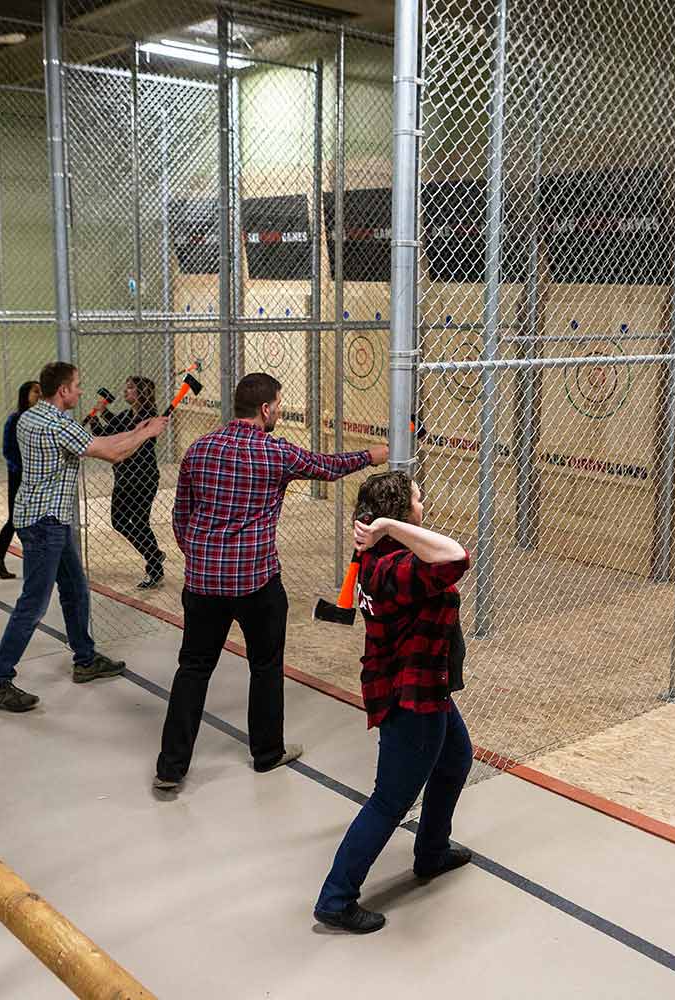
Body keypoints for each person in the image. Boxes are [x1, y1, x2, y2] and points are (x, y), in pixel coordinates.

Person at [153, 372, 386, 787]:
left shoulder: (199, 448)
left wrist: (200, 556)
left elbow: (181, 514)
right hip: (257, 582)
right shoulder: (274, 452)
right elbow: (326, 467)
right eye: (277, 404)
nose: (278, 410)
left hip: (203, 584)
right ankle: (267, 752)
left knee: (193, 668)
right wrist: (370, 455)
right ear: (265, 409)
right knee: (265, 665)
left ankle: (170, 768)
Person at [313, 471, 474, 934]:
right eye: (417, 501)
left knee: (455, 759)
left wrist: (387, 528)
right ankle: (336, 898)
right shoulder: (394, 568)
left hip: (423, 685)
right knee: (389, 800)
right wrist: (389, 526)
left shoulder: (381, 557)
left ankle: (432, 851)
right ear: (398, 515)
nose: (423, 506)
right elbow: (456, 556)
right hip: (411, 696)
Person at [0, 361, 168, 713]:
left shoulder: (32, 417)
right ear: (63, 390)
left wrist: (137, 429)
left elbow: (98, 442)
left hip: (44, 518)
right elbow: (112, 453)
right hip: (46, 524)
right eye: (77, 385)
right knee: (33, 604)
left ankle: (85, 659)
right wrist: (147, 433)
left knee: (75, 589)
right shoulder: (58, 424)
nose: (81, 391)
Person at [87, 375, 166, 589]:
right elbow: (106, 433)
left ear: (141, 392)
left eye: (130, 388)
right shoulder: (126, 414)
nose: (125, 391)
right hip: (123, 476)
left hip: (143, 477)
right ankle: (154, 554)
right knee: (119, 521)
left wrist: (105, 413)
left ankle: (154, 565)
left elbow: (127, 432)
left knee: (139, 522)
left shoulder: (149, 417)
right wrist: (96, 417)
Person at [0, 380, 41, 580]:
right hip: (19, 475)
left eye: (40, 391)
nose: (39, 395)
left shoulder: (41, 418)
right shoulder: (15, 419)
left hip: (37, 475)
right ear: (25, 395)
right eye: (35, 391)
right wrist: (23, 468)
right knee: (15, 519)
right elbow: (8, 450)